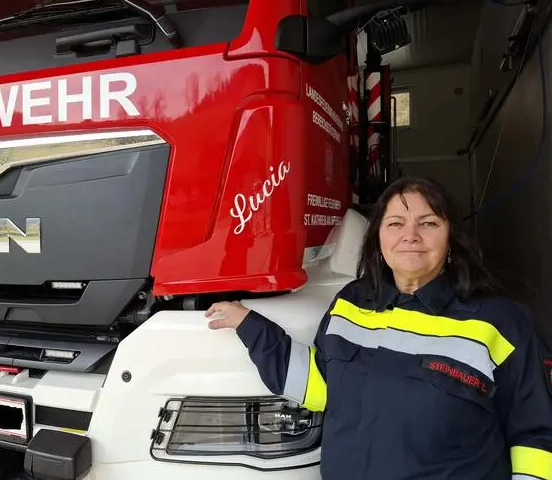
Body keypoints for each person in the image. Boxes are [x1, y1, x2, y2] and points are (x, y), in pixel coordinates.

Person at [205, 176, 552, 480]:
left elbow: (538, 436)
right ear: (378, 238)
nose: (410, 236)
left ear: (451, 238)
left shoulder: (501, 323)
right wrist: (251, 326)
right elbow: (321, 386)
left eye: (429, 223)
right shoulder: (351, 302)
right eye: (396, 223)